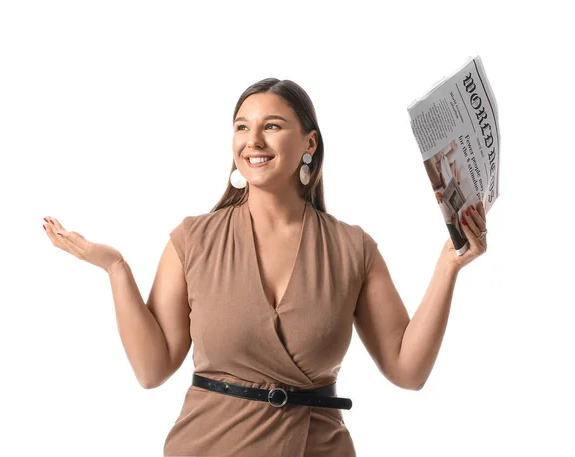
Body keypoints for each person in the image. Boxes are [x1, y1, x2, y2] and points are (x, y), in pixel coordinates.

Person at [42, 78, 488, 456]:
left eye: (271, 126)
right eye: (242, 127)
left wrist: (449, 265)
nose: (252, 141)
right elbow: (152, 369)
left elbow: (407, 371)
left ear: (308, 143)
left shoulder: (353, 248)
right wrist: (115, 267)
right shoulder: (193, 240)